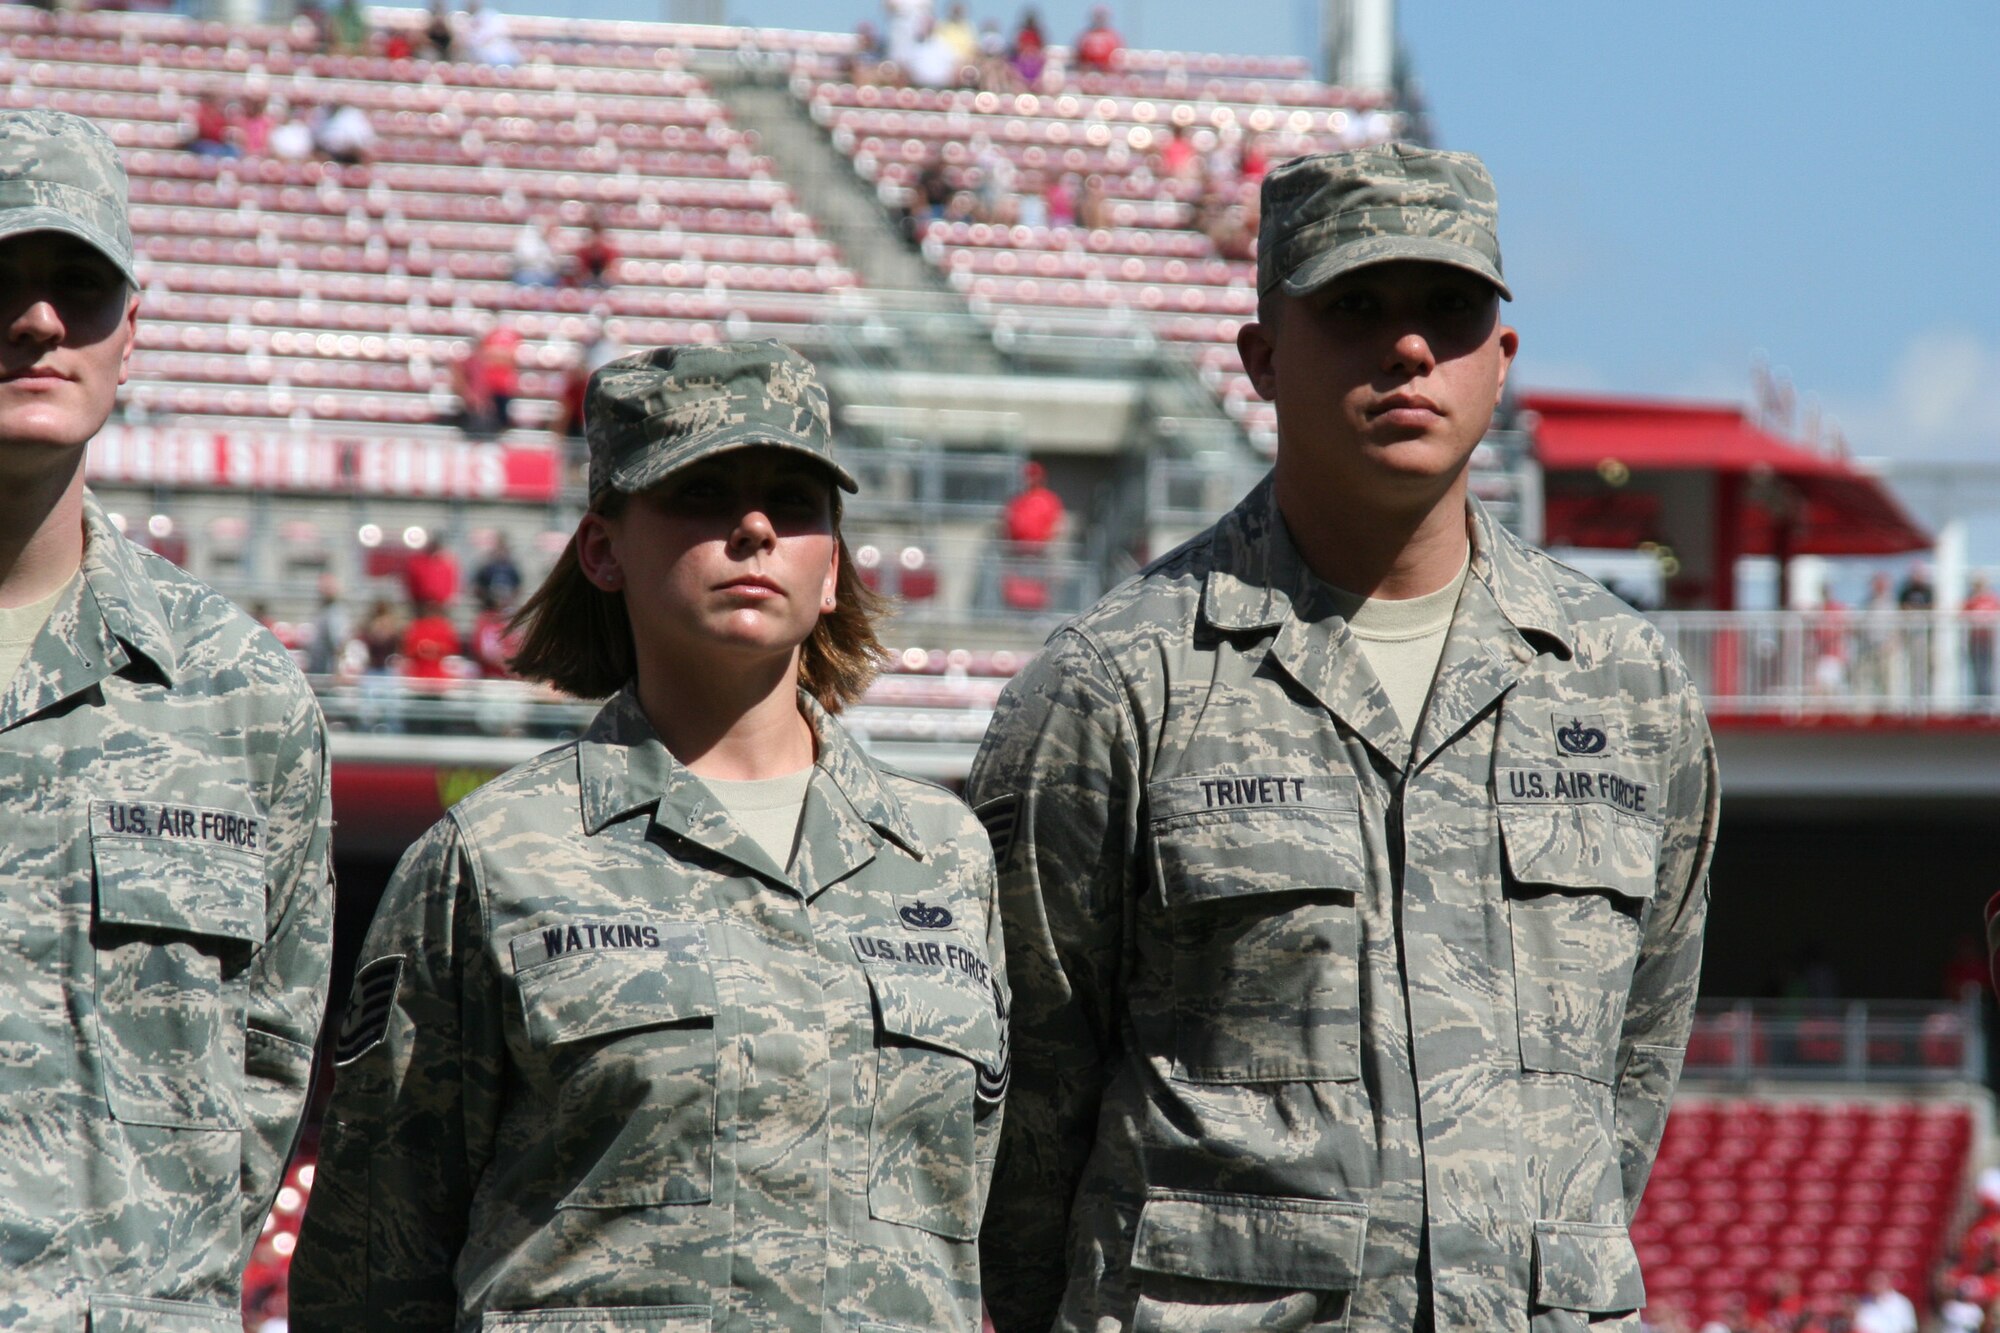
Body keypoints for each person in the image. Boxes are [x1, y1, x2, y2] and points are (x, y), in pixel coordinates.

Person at [967, 144, 1718, 1332]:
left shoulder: (1623, 692)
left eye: (1449, 311)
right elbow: (1026, 1120)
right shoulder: (1117, 686)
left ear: (1500, 363)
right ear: (1261, 357)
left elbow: (1629, 1075)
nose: (1408, 347)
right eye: (1354, 307)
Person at [288, 341, 1007, 1331]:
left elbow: (988, 1215)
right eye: (700, 492)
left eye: (794, 503)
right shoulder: (492, 859)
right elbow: (372, 1267)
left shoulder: (946, 857)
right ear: (601, 550)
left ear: (831, 567)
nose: (753, 526)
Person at [0, 109, 334, 1326]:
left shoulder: (240, 698)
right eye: (2, 278)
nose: (39, 320)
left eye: (79, 287)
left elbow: (268, 1068)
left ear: (129, 334)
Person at [1966, 573, 2000, 699]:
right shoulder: (1971, 601)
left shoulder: (1992, 600)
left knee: (1989, 669)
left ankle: (1988, 697)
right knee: (1977, 670)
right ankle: (1978, 697)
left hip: (1989, 640)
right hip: (1975, 641)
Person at [1073, 5, 1123, 72]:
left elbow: (1117, 58)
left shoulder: (1113, 37)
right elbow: (1080, 57)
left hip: (1106, 72)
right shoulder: (1085, 36)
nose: (1100, 19)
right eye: (1098, 17)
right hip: (1088, 72)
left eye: (1102, 17)